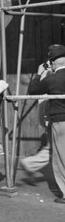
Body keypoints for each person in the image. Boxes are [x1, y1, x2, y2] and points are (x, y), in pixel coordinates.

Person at [28, 44, 65, 203]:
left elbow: (33, 90)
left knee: (61, 158)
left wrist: (39, 74)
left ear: (52, 63)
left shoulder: (52, 79)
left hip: (60, 121)